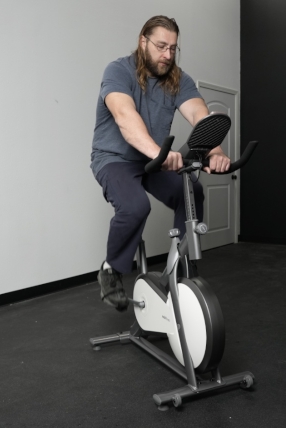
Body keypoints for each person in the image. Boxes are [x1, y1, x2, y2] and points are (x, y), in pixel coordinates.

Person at [90, 16, 231, 311]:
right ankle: (110, 270)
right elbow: (125, 118)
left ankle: (180, 272)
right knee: (135, 206)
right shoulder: (118, 71)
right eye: (161, 46)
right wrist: (159, 153)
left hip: (151, 160)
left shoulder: (178, 78)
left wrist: (214, 150)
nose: (167, 55)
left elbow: (200, 118)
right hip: (114, 159)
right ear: (143, 41)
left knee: (191, 190)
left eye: (173, 48)